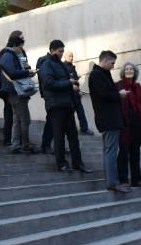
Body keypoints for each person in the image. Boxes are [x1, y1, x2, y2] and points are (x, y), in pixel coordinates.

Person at [40, 40, 91, 173]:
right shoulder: (46, 64)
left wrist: (72, 85)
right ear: (52, 51)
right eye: (59, 51)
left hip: (67, 105)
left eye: (62, 51)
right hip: (56, 106)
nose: (61, 54)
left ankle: (77, 163)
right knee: (59, 137)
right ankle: (61, 163)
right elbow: (49, 83)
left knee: (73, 136)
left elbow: (63, 82)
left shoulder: (61, 65)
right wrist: (68, 83)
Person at [89, 50, 131, 193]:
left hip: (109, 118)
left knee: (110, 151)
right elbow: (105, 95)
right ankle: (113, 182)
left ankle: (111, 181)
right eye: (112, 63)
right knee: (111, 151)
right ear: (105, 60)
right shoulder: (96, 75)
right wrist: (119, 94)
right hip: (108, 119)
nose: (113, 66)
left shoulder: (101, 74)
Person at [0, 36, 39, 155]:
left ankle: (15, 145)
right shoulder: (8, 55)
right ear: (15, 45)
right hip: (16, 92)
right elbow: (12, 73)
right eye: (20, 46)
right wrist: (27, 72)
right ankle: (25, 145)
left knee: (17, 119)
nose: (21, 49)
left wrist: (27, 69)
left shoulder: (11, 55)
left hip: (15, 92)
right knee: (25, 120)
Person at [116, 62, 141, 187]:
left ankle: (136, 179)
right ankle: (123, 179)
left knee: (135, 152)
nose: (129, 70)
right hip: (124, 123)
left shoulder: (138, 86)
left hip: (137, 123)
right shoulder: (118, 85)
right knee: (124, 152)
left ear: (134, 72)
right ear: (123, 72)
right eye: (127, 69)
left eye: (131, 69)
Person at [0, 30, 23, 146]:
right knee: (10, 113)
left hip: (18, 86)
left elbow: (24, 65)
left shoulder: (20, 51)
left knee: (17, 114)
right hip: (9, 87)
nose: (23, 40)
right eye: (21, 38)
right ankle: (8, 137)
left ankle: (15, 137)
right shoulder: (5, 53)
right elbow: (0, 70)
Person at [64, 51, 94, 135]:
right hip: (70, 94)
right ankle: (68, 129)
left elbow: (75, 79)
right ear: (65, 57)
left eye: (72, 56)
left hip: (76, 93)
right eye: (69, 56)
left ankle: (84, 128)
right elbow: (65, 81)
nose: (71, 58)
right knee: (70, 113)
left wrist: (79, 89)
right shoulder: (64, 66)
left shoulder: (71, 66)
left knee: (80, 111)